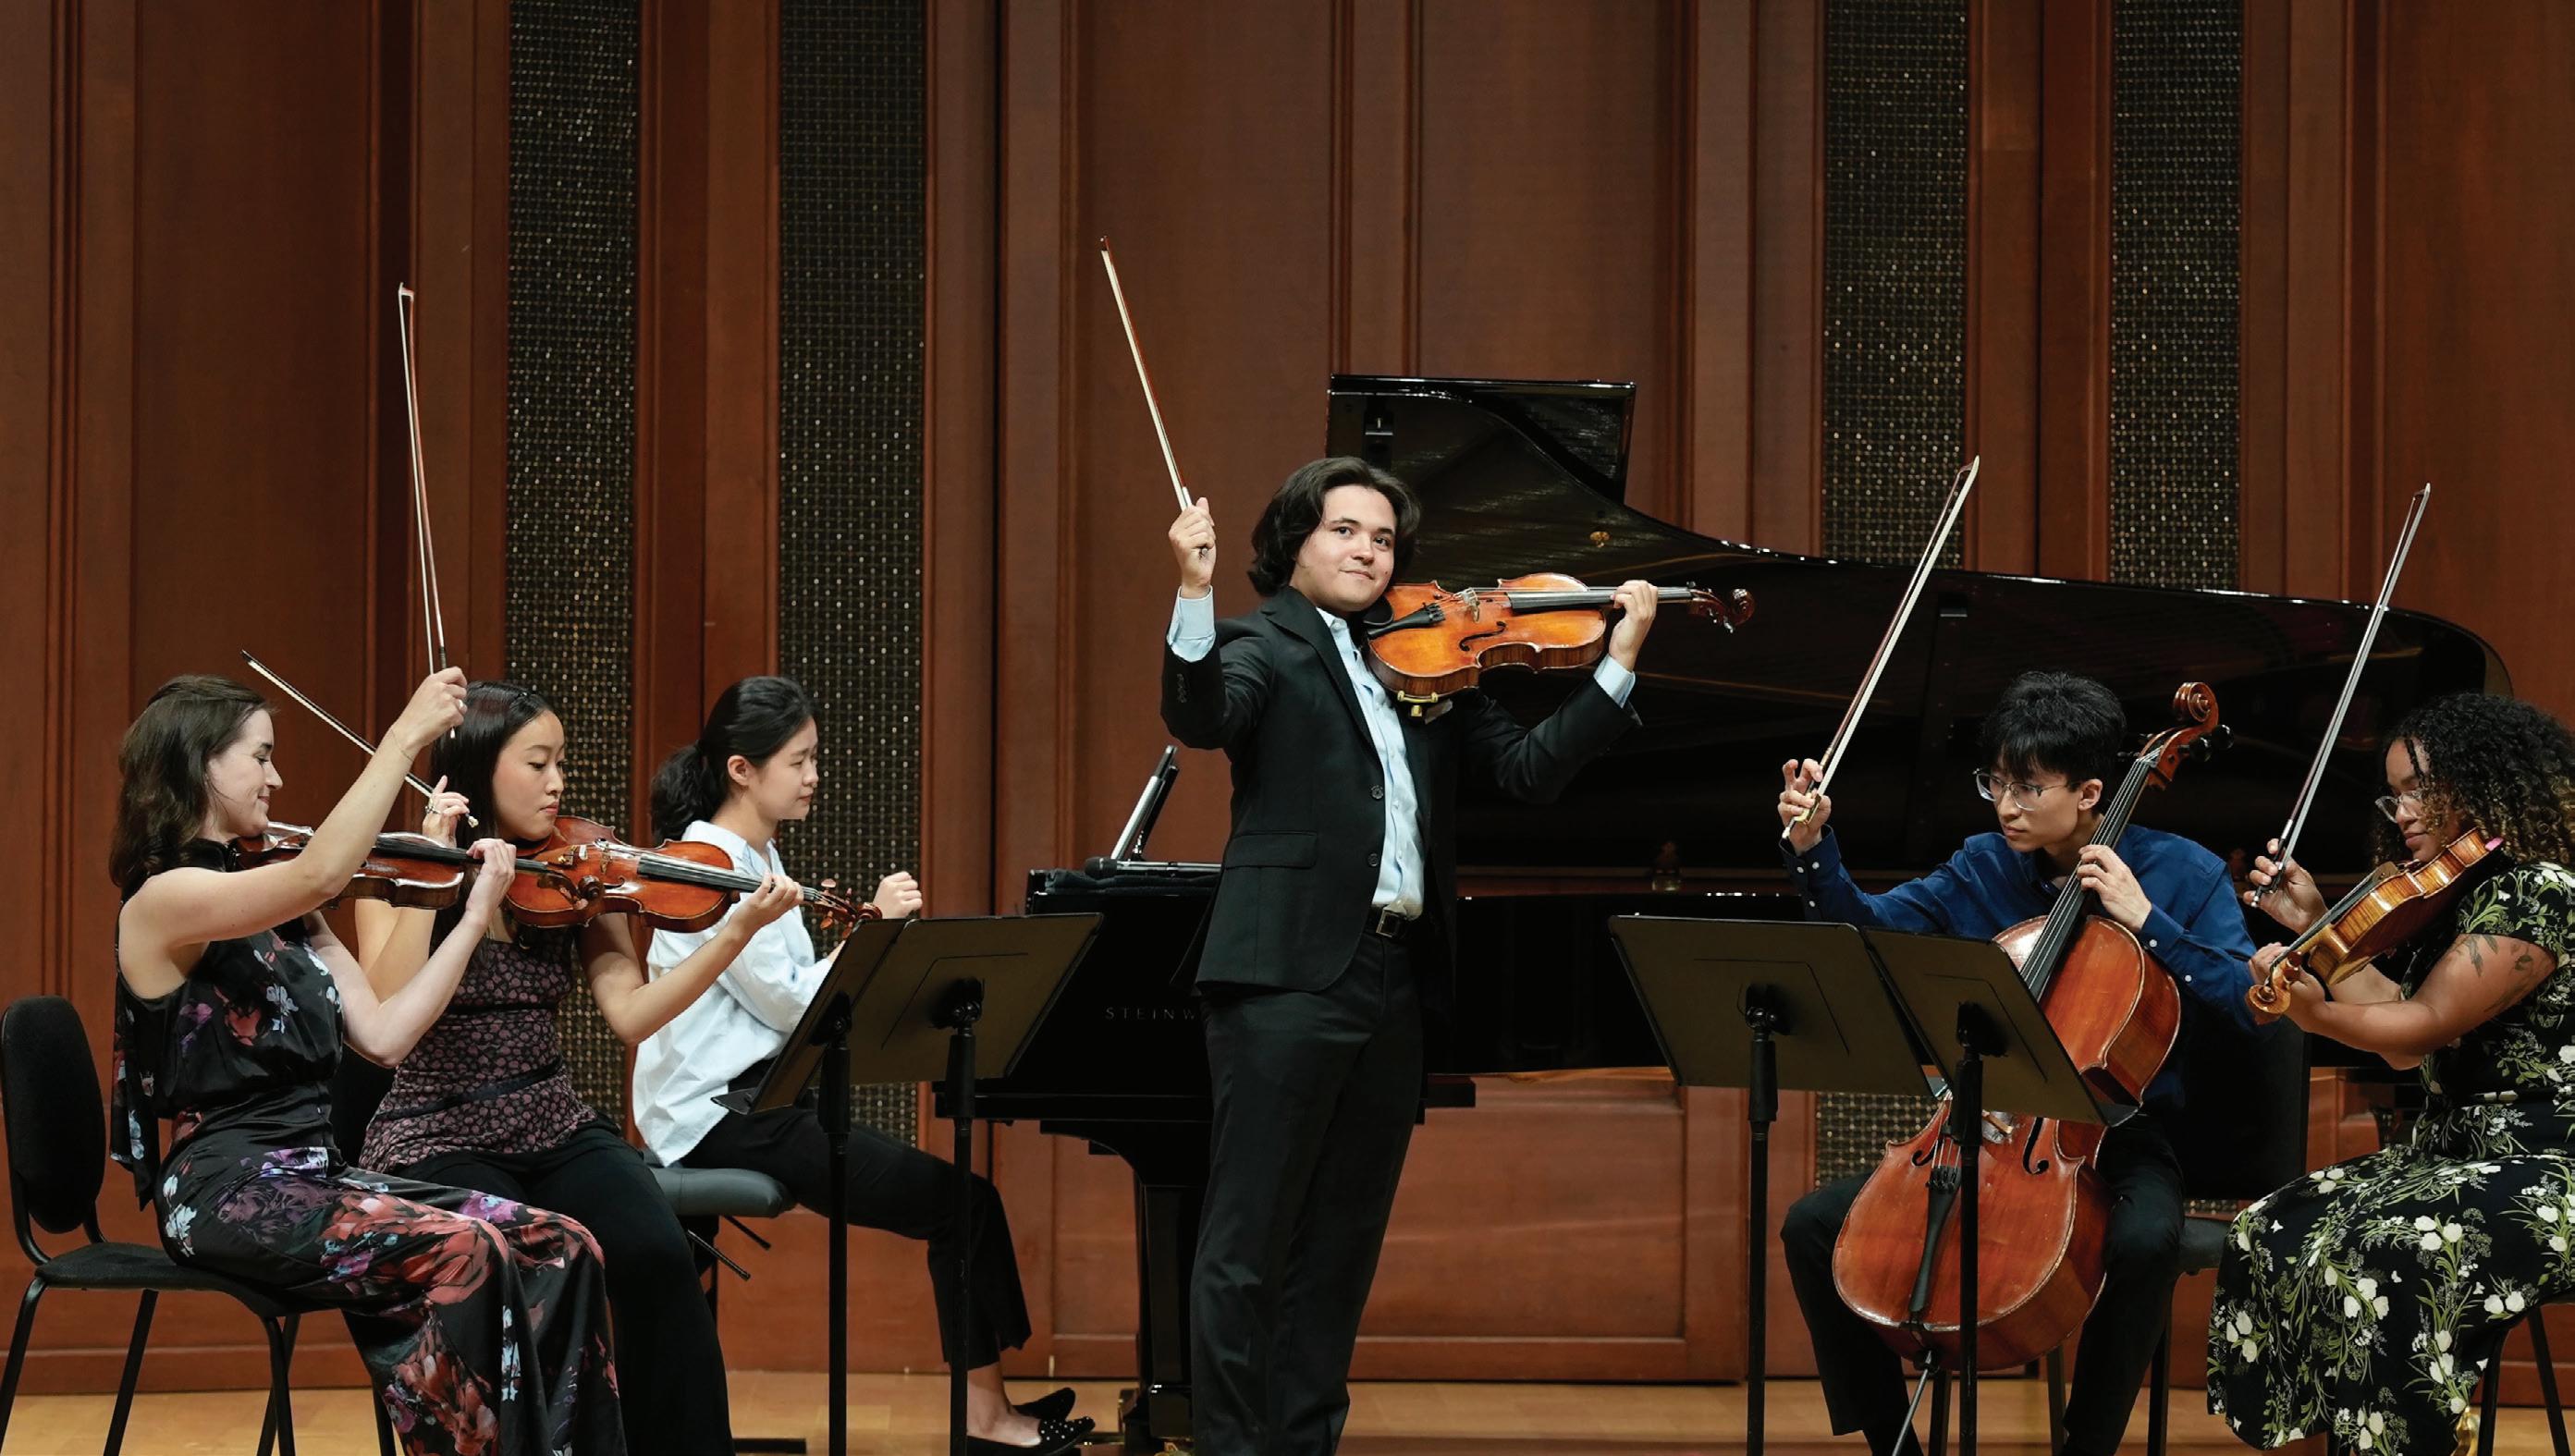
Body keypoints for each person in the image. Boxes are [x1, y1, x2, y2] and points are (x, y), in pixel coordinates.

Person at [1162, 458, 1660, 1455]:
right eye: (1344, 530)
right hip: (1284, 979)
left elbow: (1524, 773)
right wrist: (1191, 591)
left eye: (1383, 539)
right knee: (1246, 1244)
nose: (1367, 552)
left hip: (1393, 979)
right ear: (1295, 542)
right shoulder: (1259, 643)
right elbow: (1202, 716)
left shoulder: (1426, 659)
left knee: (1340, 1248)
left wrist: (1617, 664)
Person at [111, 669, 623, 1454]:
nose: (277, 778)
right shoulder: (163, 901)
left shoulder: (285, 904)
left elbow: (384, 1036)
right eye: (261, 756)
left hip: (319, 1173)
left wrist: (473, 914)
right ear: (199, 763)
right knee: (468, 1249)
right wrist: (405, 736)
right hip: (226, 1187)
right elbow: (317, 871)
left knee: (563, 1244)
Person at [1773, 669, 2264, 1456]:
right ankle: (1891, 1445)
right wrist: (1812, 849)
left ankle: (2085, 1448)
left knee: (2144, 1240)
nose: (2004, 804)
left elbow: (2247, 1001)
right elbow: (1865, 931)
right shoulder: (1982, 864)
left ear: (2091, 791)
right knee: (1811, 1225)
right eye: (1994, 782)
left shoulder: (2184, 873)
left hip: (2118, 1130)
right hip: (1985, 1122)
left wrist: (2147, 920)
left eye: (2027, 787)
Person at [631, 674, 1091, 1455]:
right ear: (741, 769)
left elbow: (787, 998)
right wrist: (872, 927)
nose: (814, 775)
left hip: (763, 1103)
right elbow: (791, 1007)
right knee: (962, 1204)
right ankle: (985, 1420)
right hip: (719, 1116)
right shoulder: (710, 864)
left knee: (965, 1201)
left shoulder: (754, 852)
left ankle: (988, 1406)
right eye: (799, 760)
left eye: (815, 757)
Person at [352, 681, 766, 1455]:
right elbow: (385, 1014)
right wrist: (438, 875)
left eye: (561, 763)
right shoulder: (397, 869)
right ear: (479, 771)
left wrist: (734, 934)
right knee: (517, 1270)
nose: (557, 783)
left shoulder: (578, 869)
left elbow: (631, 1014)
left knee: (656, 1252)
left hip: (552, 1119)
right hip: (438, 1131)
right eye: (537, 763)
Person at [2209, 693, 2575, 1456]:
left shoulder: (2536, 891)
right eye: (2393, 793)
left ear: (2480, 779)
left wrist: (2313, 1014)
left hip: (2547, 1163)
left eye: (2419, 788)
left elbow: (2423, 1021)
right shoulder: (2455, 894)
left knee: (2390, 1250)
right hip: (2449, 1153)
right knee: (2271, 1227)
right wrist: (2315, 923)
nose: (2401, 810)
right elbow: (2403, 1045)